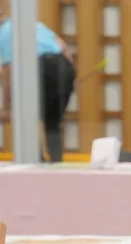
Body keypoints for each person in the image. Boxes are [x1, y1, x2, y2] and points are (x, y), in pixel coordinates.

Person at [0, 15, 76, 161]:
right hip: (64, 66)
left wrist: (7, 108)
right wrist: (70, 81)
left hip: (41, 67)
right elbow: (65, 49)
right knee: (52, 122)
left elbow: (8, 72)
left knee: (27, 118)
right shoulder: (33, 24)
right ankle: (56, 163)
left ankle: (36, 161)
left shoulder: (4, 33)